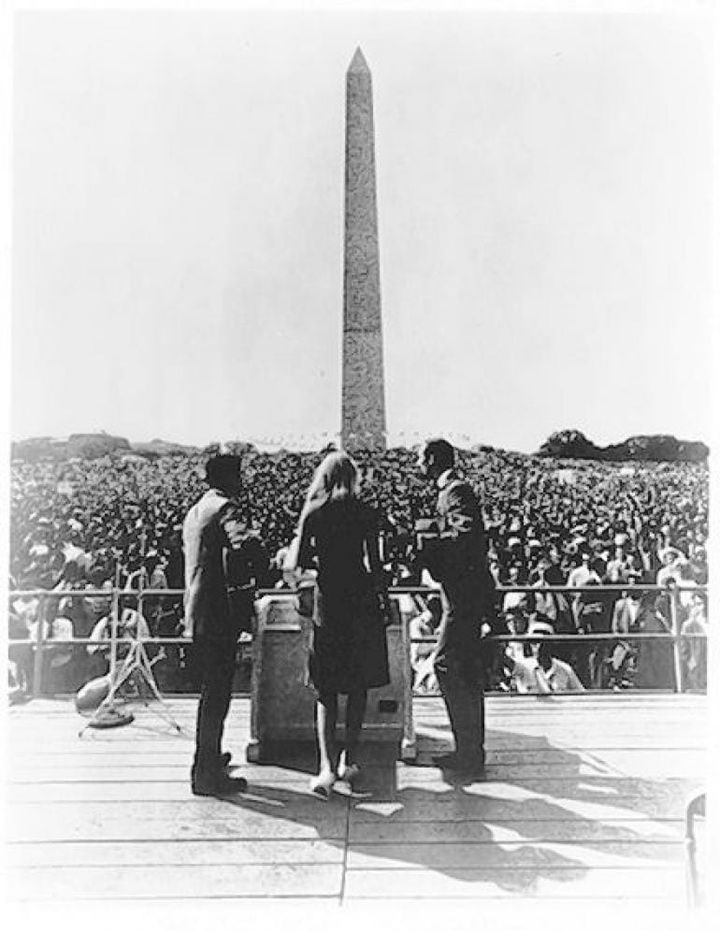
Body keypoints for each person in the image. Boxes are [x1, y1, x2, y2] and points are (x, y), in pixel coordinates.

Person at [287, 451, 390, 799]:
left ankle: (325, 767)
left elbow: (298, 563)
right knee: (358, 686)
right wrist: (384, 601)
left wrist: (322, 562)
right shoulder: (365, 511)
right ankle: (352, 759)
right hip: (360, 602)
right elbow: (376, 566)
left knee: (326, 689)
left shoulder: (314, 513)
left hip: (328, 603)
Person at [183, 453, 268, 797]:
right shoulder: (227, 509)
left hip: (198, 608)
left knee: (211, 691)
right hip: (219, 610)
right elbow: (244, 547)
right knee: (217, 693)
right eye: (240, 475)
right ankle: (206, 773)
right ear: (231, 478)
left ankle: (209, 757)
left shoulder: (196, 510)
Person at [416, 438, 498, 775]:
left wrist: (424, 541)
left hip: (463, 597)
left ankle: (468, 750)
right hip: (461, 594)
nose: (417, 465)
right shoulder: (450, 491)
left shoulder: (455, 491)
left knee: (448, 664)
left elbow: (467, 536)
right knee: (460, 668)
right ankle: (468, 749)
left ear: (433, 459)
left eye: (420, 458)